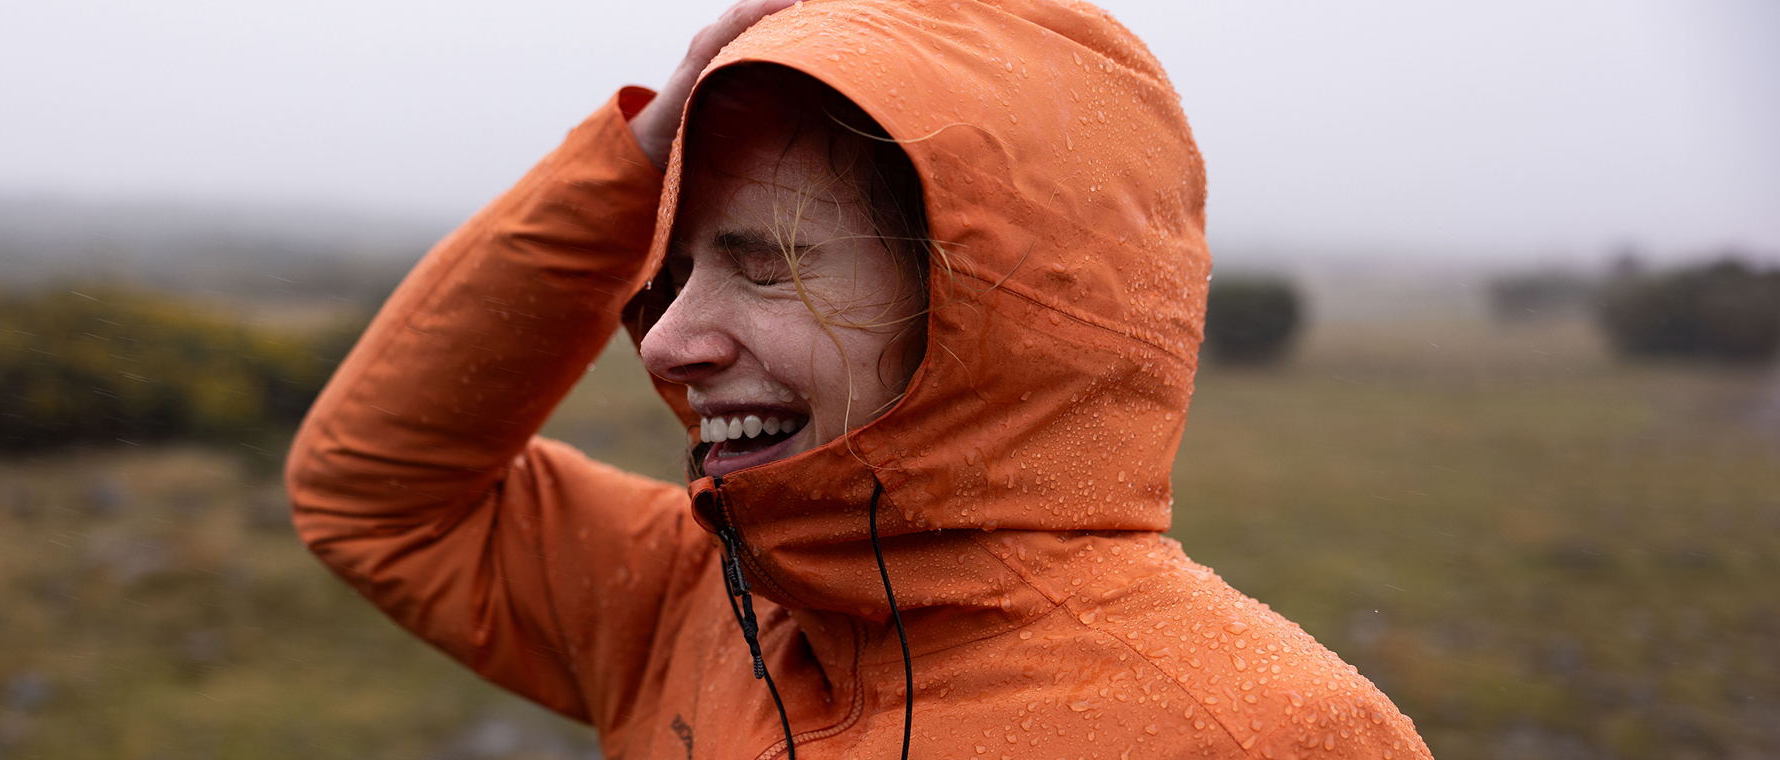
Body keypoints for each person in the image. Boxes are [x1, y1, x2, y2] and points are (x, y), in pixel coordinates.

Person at [286, 1, 1435, 758]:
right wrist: (633, 162)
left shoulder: (1257, 733)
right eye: (674, 273)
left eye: (767, 267)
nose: (665, 342)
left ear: (990, 310)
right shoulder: (694, 603)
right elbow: (376, 496)